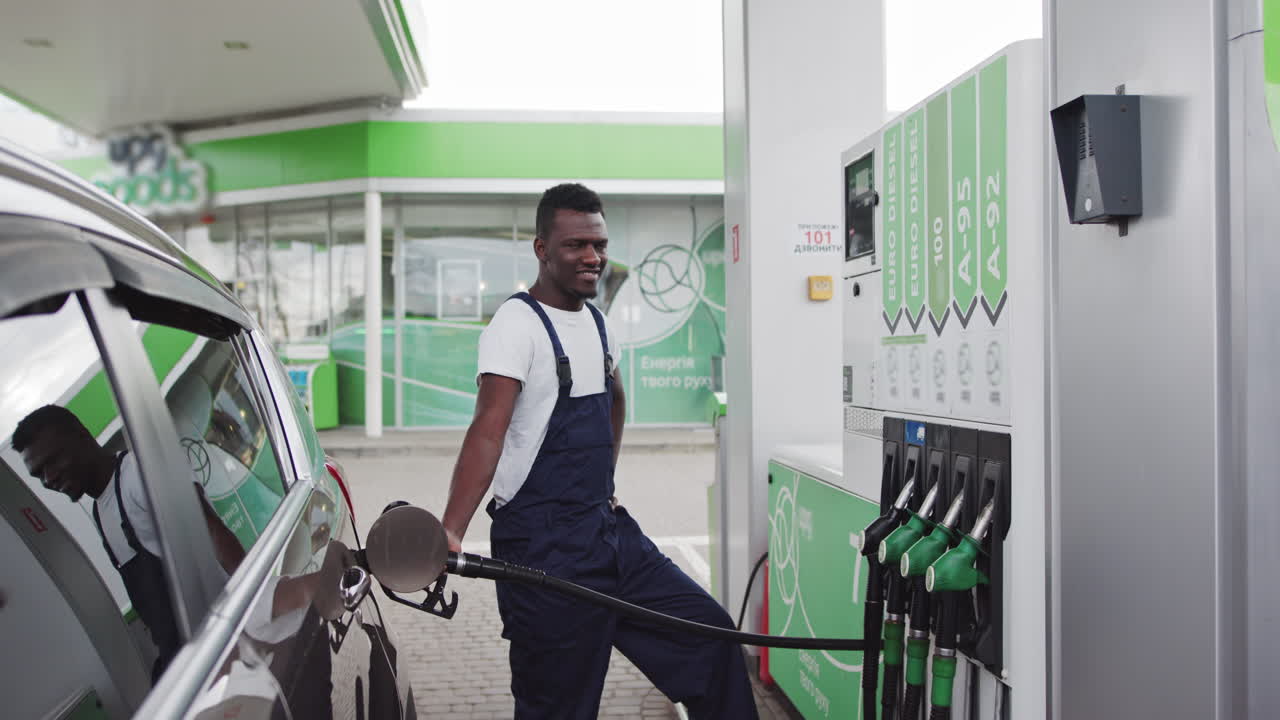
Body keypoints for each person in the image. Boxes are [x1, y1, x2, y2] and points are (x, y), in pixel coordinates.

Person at [440, 183, 758, 719]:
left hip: (607, 536)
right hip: (543, 553)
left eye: (600, 244)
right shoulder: (514, 326)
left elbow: (615, 399)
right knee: (560, 707)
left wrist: (604, 486)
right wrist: (450, 529)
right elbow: (487, 430)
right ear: (542, 249)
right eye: (576, 245)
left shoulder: (596, 321)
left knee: (709, 639)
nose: (593, 257)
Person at [13, 404, 246, 681]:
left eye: (53, 460)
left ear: (82, 435)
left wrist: (262, 606)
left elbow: (214, 535)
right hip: (187, 664)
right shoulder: (102, 510)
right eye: (39, 474)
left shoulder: (141, 474)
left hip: (223, 646)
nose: (49, 478)